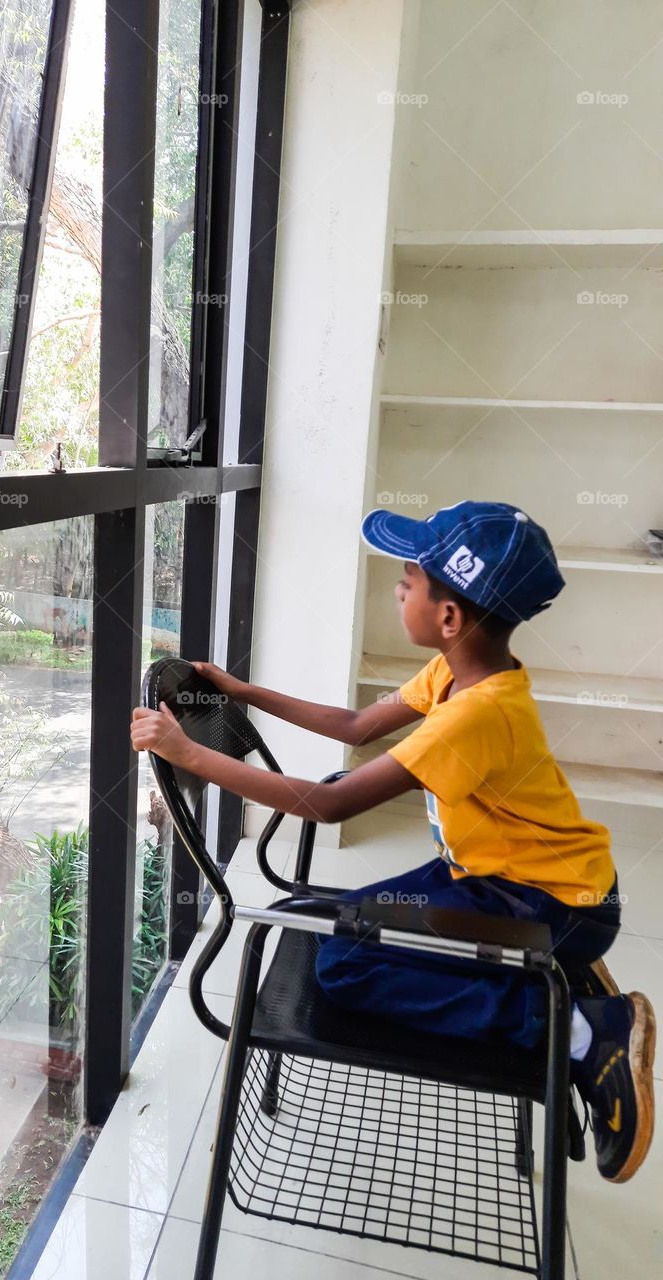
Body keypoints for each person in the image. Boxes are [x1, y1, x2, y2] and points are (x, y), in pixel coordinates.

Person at [130, 500, 655, 1185]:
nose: (398, 587)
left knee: (344, 967)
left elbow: (330, 801)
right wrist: (243, 691)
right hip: (506, 879)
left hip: (546, 900)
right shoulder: (461, 672)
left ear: (449, 617)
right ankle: (558, 974)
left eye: (409, 578)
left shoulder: (475, 715)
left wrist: (191, 756)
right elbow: (354, 725)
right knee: (351, 936)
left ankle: (583, 1031)